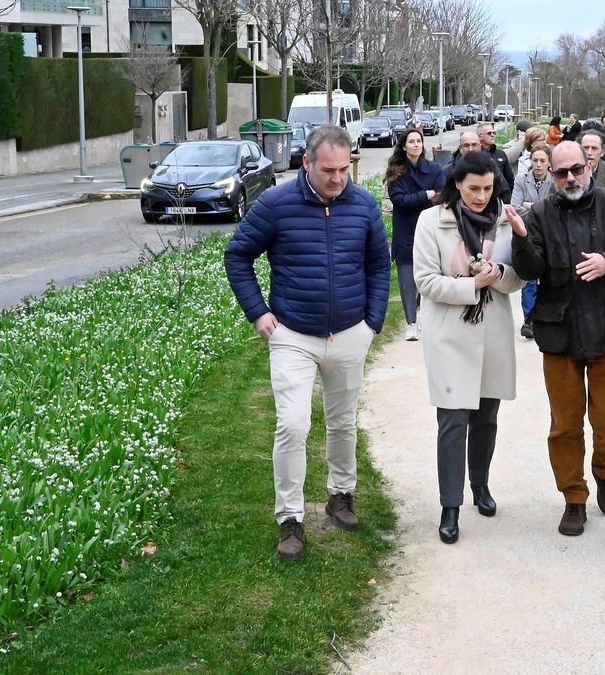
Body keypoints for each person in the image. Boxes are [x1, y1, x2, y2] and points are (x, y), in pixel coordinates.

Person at [224, 125, 391, 561]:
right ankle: (290, 519)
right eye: (329, 170)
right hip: (293, 335)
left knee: (342, 422)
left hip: (351, 332)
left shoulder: (364, 205)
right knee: (293, 425)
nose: (338, 178)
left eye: (344, 169)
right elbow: (237, 254)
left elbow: (378, 263)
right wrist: (259, 313)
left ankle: (341, 495)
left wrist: (372, 321)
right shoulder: (276, 205)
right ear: (307, 164)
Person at [506, 141, 605, 536]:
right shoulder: (539, 213)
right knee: (565, 424)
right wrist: (522, 237)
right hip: (560, 333)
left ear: (589, 165)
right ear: (552, 176)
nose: (570, 178)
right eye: (562, 173)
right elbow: (530, 268)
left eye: (577, 169)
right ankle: (574, 497)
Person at [413, 151, 526, 544]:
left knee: (487, 416)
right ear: (457, 185)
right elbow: (425, 281)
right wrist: (470, 285)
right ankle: (450, 504)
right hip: (450, 333)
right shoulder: (433, 221)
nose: (481, 197)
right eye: (473, 188)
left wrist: (496, 277)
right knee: (453, 420)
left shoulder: (504, 221)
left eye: (488, 188)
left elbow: (517, 279)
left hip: (492, 328)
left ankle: (480, 484)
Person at [386, 128, 444, 341]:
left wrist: (421, 198)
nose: (416, 144)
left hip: (430, 229)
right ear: (404, 146)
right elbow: (399, 200)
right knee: (407, 280)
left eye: (418, 141)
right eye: (411, 141)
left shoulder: (434, 170)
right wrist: (426, 194)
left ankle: (426, 316)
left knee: (430, 275)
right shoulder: (395, 172)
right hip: (406, 230)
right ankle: (411, 322)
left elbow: (442, 196)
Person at [511, 145, 554, 339]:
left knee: (548, 275)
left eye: (542, 161)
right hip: (526, 233)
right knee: (528, 277)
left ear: (549, 163)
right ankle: (528, 318)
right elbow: (515, 207)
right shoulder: (521, 179)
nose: (538, 164)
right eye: (535, 160)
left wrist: (530, 205)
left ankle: (545, 315)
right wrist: (540, 207)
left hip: (550, 234)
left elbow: (556, 206)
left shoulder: (554, 181)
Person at [477, 122, 516, 200]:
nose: (492, 135)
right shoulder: (475, 156)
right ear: (480, 136)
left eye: (494, 133)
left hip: (502, 198)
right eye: (489, 133)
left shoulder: (501, 154)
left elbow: (510, 179)